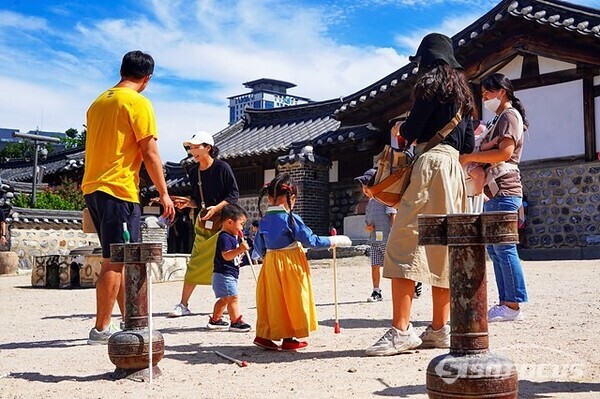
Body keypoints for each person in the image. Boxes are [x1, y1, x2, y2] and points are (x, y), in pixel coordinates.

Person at [366, 33, 475, 356]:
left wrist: (402, 129)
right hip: (455, 172)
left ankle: (401, 330)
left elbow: (411, 133)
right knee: (444, 246)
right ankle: (440, 329)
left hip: (430, 166)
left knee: (403, 243)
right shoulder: (464, 95)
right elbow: (468, 146)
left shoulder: (429, 86)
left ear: (426, 60)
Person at [82, 50, 175, 345]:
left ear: (122, 71)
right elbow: (149, 152)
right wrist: (164, 193)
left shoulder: (97, 103)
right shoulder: (138, 102)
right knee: (115, 260)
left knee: (121, 259)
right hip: (118, 188)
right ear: (147, 78)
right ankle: (100, 329)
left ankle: (128, 320)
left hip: (94, 187)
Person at [253, 173, 351, 351]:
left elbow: (259, 248)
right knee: (292, 298)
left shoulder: (265, 220)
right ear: (292, 198)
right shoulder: (291, 219)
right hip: (290, 263)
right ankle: (289, 337)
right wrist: (334, 241)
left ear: (269, 197)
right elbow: (310, 241)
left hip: (270, 263)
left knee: (272, 299)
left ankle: (264, 334)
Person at [459, 73, 528, 322]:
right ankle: (506, 302)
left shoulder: (509, 116)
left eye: (488, 92)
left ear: (502, 91)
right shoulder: (498, 118)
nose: (485, 97)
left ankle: (512, 304)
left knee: (504, 247)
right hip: (496, 191)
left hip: (505, 189)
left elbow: (505, 152)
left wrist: (471, 157)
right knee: (497, 248)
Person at [168, 131, 240, 317]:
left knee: (224, 263)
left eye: (195, 147)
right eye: (190, 147)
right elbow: (197, 199)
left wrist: (216, 208)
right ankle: (183, 304)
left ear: (208, 147)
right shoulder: (193, 172)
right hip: (204, 221)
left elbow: (233, 195)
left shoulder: (222, 167)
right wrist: (187, 203)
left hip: (223, 223)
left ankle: (225, 304)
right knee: (196, 262)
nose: (192, 151)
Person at [206, 204, 252, 332]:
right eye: (241, 224)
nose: (242, 227)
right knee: (233, 297)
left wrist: (242, 249)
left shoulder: (233, 237)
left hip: (230, 273)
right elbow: (226, 255)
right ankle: (235, 321)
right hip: (224, 273)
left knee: (225, 298)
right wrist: (240, 249)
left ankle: (215, 320)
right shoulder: (224, 237)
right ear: (230, 222)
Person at [354, 168, 397, 302]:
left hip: (387, 239)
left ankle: (405, 288)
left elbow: (393, 216)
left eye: (367, 186)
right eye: (363, 187)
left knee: (394, 267)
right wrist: (367, 228)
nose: (364, 190)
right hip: (374, 240)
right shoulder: (369, 203)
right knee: (375, 265)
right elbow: (368, 222)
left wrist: (395, 235)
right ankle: (376, 290)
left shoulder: (385, 198)